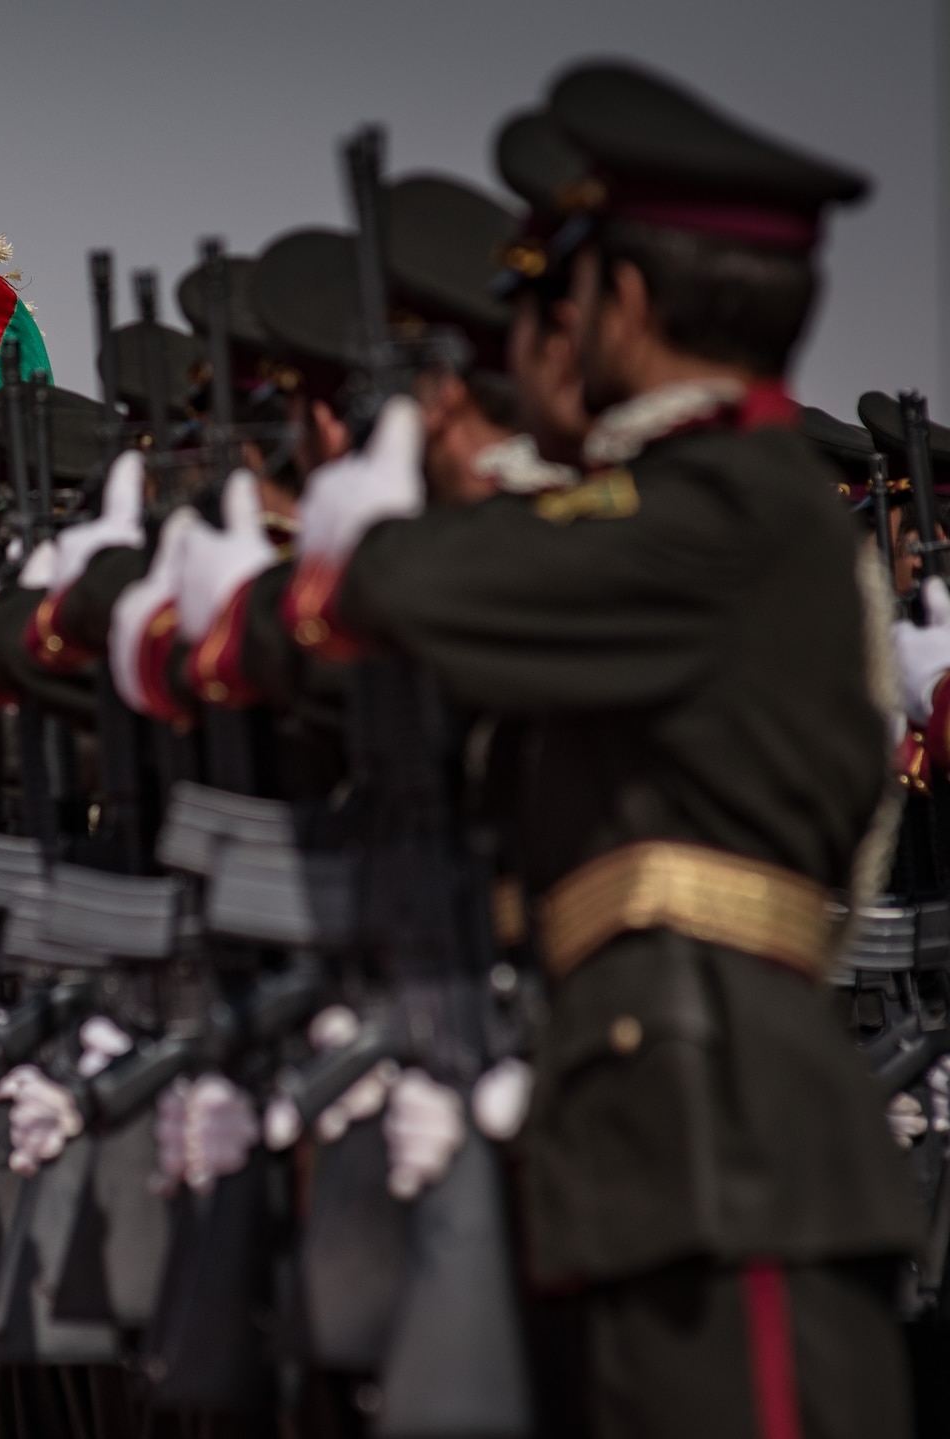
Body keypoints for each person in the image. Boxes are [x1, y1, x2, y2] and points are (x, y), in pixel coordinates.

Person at [281, 61, 922, 1438]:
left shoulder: (728, 507)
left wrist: (395, 520)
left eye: (564, 298)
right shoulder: (707, 503)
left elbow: (408, 590)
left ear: (625, 301)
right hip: (660, 1130)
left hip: (722, 1143)